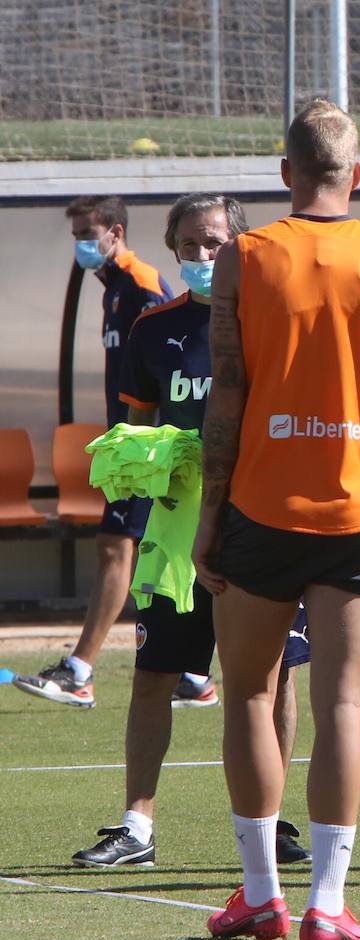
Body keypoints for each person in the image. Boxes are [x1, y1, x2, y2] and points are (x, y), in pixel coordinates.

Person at [192, 99, 360, 940]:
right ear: (356, 173)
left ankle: (263, 894)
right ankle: (328, 902)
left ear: (287, 172)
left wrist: (209, 515)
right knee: (343, 704)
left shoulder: (247, 256)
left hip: (262, 506)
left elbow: (229, 393)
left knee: (251, 695)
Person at [71, 194, 313, 869]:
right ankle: (136, 829)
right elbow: (135, 429)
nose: (201, 258)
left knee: (275, 675)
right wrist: (147, 464)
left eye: (213, 244)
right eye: (188, 246)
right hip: (177, 535)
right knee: (154, 672)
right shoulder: (154, 329)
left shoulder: (278, 321)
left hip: (262, 526)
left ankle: (270, 820)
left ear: (241, 243)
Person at [13, 196, 172, 709]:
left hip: (143, 449)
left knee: (115, 548)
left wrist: (145, 444)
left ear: (115, 231)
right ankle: (194, 675)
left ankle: (79, 671)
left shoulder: (141, 284)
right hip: (126, 446)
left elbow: (166, 366)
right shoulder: (113, 289)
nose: (81, 243)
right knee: (153, 556)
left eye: (88, 232)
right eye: (76, 234)